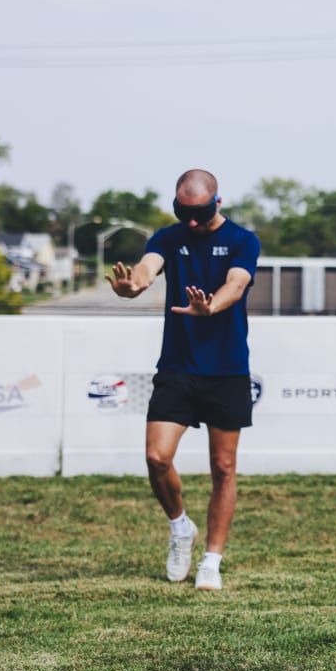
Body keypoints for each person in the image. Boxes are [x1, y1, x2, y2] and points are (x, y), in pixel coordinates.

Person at [106, 169, 260, 592]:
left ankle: (212, 560)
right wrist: (131, 286)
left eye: (200, 212)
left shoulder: (245, 240)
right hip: (177, 366)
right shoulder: (168, 237)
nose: (190, 221)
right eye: (182, 212)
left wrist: (213, 308)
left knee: (223, 468)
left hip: (227, 368)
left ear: (218, 202)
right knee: (157, 458)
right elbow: (146, 268)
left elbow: (237, 282)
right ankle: (179, 527)